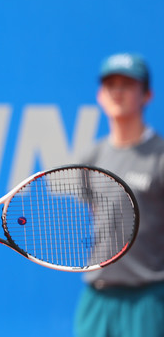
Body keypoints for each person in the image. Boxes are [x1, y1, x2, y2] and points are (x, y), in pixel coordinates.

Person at [74, 53, 164, 337]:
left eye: (127, 84)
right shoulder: (91, 157)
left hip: (149, 299)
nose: (118, 92)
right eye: (110, 84)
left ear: (146, 95)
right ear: (100, 95)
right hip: (97, 298)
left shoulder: (160, 156)